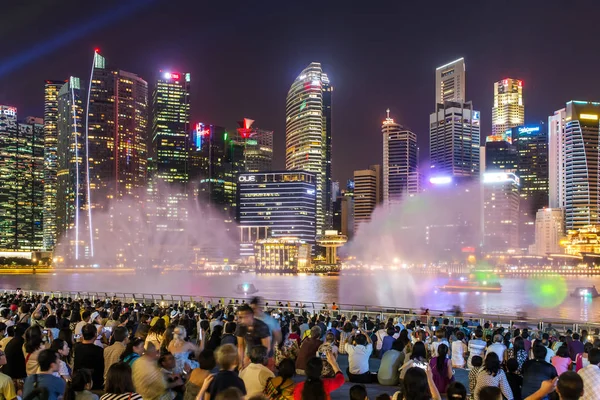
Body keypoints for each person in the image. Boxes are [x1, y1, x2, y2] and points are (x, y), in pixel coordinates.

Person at [236, 305, 271, 370]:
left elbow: (266, 348)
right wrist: (241, 362)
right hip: (249, 352)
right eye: (240, 317)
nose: (241, 320)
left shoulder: (262, 326)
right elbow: (240, 346)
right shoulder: (240, 326)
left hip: (262, 355)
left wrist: (251, 361)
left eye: (244, 317)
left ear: (251, 316)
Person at [73, 323, 105, 391]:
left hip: (79, 384)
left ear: (83, 335)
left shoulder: (76, 348)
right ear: (95, 335)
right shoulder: (99, 350)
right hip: (96, 385)